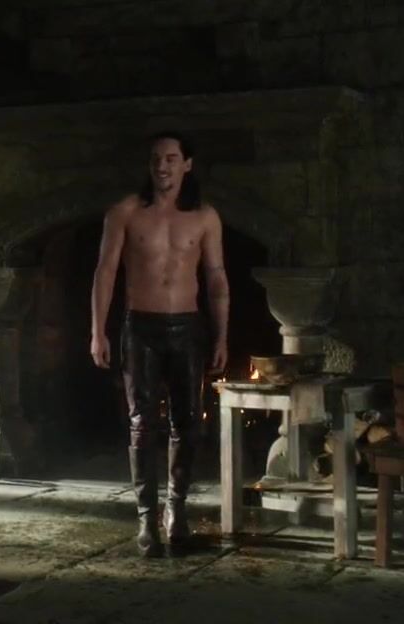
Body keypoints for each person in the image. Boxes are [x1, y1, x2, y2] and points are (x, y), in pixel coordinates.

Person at [90, 131, 229, 557]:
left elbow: (216, 278)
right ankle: (146, 518)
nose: (162, 166)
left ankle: (176, 509)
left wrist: (222, 335)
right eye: (156, 158)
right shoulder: (125, 212)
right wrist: (97, 330)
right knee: (141, 423)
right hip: (141, 328)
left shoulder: (205, 217)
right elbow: (105, 272)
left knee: (188, 423)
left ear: (187, 164)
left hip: (187, 327)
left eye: (171, 158)